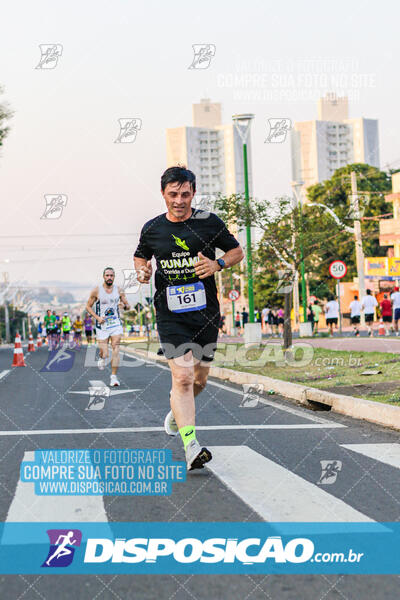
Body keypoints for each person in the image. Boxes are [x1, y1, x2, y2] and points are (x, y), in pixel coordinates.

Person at [134, 166, 243, 470]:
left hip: (205, 313)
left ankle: (176, 412)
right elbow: (141, 254)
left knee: (199, 380)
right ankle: (191, 445)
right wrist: (142, 270)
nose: (179, 201)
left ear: (193, 193)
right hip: (170, 314)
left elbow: (237, 252)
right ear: (163, 194)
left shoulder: (208, 223)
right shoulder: (152, 228)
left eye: (184, 194)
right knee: (181, 378)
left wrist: (217, 263)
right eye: (173, 194)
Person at [86, 267, 130, 387]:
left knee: (116, 349)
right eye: (107, 275)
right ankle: (101, 357)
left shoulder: (119, 290)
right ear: (103, 277)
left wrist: (124, 306)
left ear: (114, 277)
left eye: (111, 275)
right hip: (102, 325)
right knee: (104, 353)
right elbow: (88, 307)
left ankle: (113, 377)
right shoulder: (97, 291)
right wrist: (97, 318)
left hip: (115, 323)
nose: (109, 277)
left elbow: (127, 306)